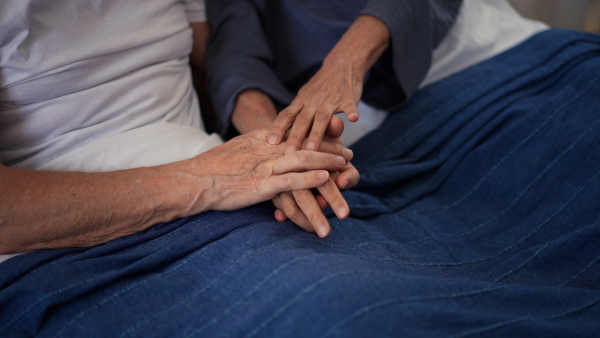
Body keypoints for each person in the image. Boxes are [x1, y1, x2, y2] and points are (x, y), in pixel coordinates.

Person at [0, 0, 359, 260]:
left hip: (220, 184)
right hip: (75, 240)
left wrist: (279, 144)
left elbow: (212, 60)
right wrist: (209, 179)